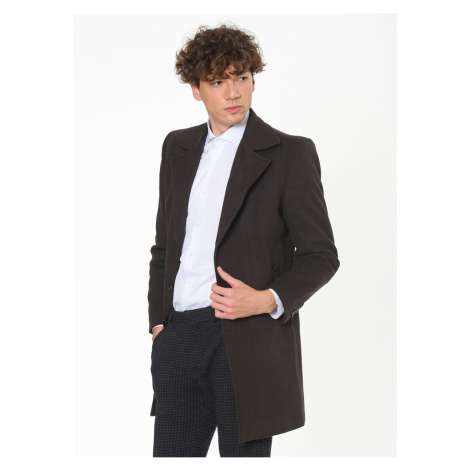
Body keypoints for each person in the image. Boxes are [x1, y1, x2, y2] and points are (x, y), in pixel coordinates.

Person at [148, 23, 340, 457]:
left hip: (246, 342)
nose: (233, 92)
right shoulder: (176, 148)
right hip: (178, 339)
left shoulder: (290, 154)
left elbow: (321, 255)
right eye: (218, 81)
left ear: (254, 79)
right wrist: (159, 325)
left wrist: (267, 299)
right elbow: (164, 246)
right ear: (196, 89)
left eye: (242, 77)